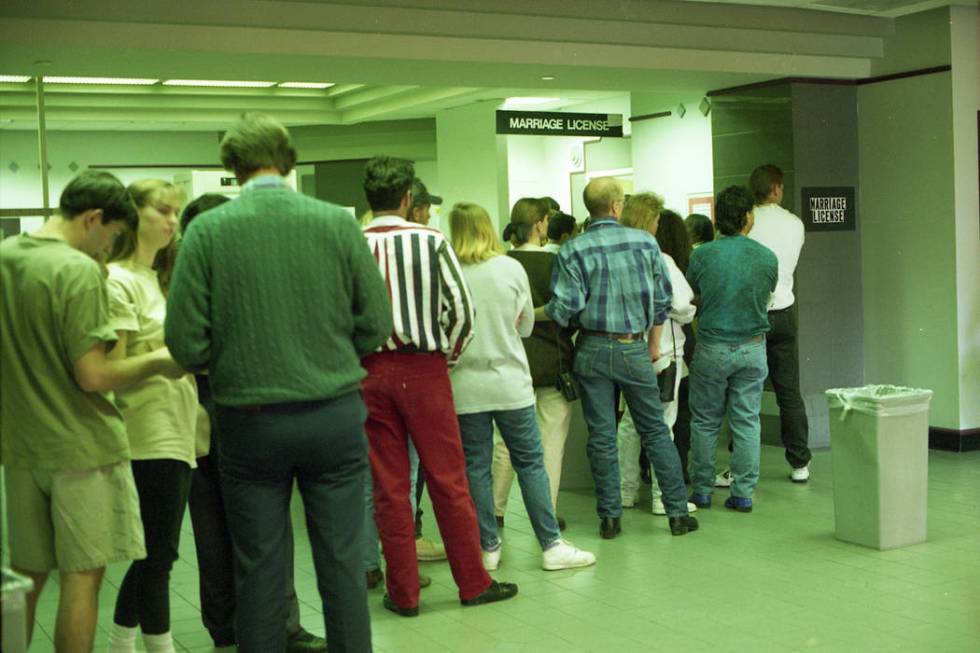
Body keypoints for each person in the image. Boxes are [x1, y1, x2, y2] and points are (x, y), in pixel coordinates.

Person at [166, 113, 391, 652]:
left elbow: (184, 342)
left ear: (231, 166)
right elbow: (376, 323)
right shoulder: (336, 225)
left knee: (260, 570)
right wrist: (330, 355)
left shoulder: (208, 231)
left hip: (249, 421)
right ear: (287, 160)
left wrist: (231, 362)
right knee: (341, 565)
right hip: (333, 414)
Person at [1, 170, 183, 653]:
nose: (109, 247)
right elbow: (95, 375)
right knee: (83, 576)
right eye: (111, 235)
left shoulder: (6, 257)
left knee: (27, 574)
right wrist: (164, 359)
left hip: (21, 449)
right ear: (93, 218)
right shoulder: (75, 270)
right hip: (80, 448)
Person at [361, 155, 518, 617]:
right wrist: (444, 357)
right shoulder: (430, 240)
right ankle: (472, 582)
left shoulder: (351, 243)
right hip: (426, 369)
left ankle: (403, 593)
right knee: (449, 479)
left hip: (369, 373)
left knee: (389, 486)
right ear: (409, 198)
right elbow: (463, 312)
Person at [179, 193, 326, 652]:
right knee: (248, 522)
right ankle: (261, 625)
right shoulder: (215, 280)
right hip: (223, 404)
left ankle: (237, 626)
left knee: (226, 523)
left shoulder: (183, 279)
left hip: (216, 405)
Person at [546, 177, 698, 539]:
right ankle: (677, 514)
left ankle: (610, 518)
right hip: (634, 347)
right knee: (656, 430)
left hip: (592, 350)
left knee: (601, 434)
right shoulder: (645, 243)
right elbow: (664, 301)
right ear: (616, 206)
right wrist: (652, 344)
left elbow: (563, 309)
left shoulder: (574, 249)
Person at [449, 201, 595, 572]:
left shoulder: (449, 272)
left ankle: (488, 546)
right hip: (510, 380)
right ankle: (550, 544)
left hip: (466, 385)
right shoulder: (509, 268)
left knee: (477, 466)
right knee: (530, 461)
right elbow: (527, 324)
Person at [104, 180, 198, 653]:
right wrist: (167, 356)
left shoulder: (156, 279)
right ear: (133, 215)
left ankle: (122, 640)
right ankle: (158, 646)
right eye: (162, 210)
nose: (171, 220)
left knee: (155, 554)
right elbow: (110, 370)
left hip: (175, 429)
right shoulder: (118, 280)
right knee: (158, 555)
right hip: (146, 431)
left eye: (175, 212)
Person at [686, 185, 777, 513]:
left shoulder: (701, 255)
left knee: (705, 420)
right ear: (748, 216)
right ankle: (742, 493)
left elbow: (691, 294)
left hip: (712, 347)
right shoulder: (767, 257)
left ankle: (702, 491)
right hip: (753, 347)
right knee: (747, 420)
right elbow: (766, 294)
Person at [493, 198, 574, 530]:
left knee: (504, 441)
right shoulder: (558, 264)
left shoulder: (500, 263)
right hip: (553, 362)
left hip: (512, 361)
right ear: (541, 224)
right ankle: (547, 512)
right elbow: (567, 311)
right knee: (550, 441)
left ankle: (495, 511)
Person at [616, 206, 698, 516]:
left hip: (628, 351)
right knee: (663, 424)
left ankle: (625, 491)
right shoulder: (662, 260)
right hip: (664, 352)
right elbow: (682, 303)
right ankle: (663, 497)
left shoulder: (618, 258)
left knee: (628, 425)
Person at [748, 164, 813, 483]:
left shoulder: (747, 222)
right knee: (789, 391)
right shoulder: (795, 224)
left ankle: (742, 464)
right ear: (775, 188)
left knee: (745, 391)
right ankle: (800, 462)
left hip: (753, 315)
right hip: (785, 310)